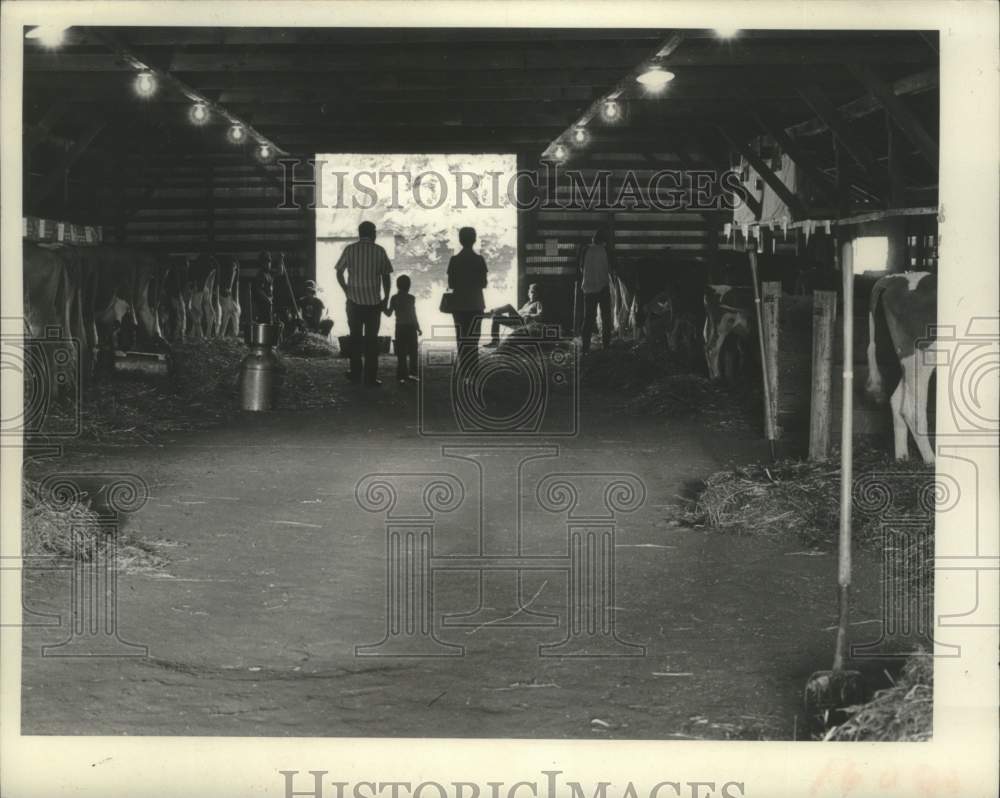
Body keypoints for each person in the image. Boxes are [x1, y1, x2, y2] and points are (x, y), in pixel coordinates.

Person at [336, 221, 393, 386]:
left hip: (353, 303)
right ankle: (370, 378)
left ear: (359, 233)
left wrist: (346, 290)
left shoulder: (350, 249)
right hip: (374, 304)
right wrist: (386, 297)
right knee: (371, 341)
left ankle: (355, 374)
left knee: (355, 339)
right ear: (373, 233)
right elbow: (386, 276)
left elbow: (339, 272)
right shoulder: (380, 251)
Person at [446, 226, 487, 377]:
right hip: (476, 304)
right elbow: (483, 283)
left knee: (461, 338)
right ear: (474, 240)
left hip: (459, 305)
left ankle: (463, 370)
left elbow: (451, 285)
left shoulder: (454, 260)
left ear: (460, 240)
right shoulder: (479, 260)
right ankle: (474, 370)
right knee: (473, 340)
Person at [578, 227, 614, 354]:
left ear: (594, 238)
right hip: (603, 287)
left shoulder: (585, 249)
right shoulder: (605, 250)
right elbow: (610, 269)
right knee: (606, 318)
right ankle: (606, 346)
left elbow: (581, 269)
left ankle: (585, 348)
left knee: (588, 319)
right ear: (603, 241)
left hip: (588, 289)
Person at [385, 274, 422, 384]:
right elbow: (413, 314)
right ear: (409, 286)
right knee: (413, 352)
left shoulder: (394, 298)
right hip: (411, 328)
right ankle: (413, 374)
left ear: (397, 285)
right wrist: (418, 328)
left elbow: (388, 313)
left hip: (400, 327)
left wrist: (381, 306)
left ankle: (401, 376)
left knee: (401, 353)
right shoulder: (411, 298)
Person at [251, 251, 275, 324]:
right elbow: (258, 289)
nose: (268, 264)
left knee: (270, 319)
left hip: (269, 300)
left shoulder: (269, 274)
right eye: (267, 262)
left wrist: (281, 260)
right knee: (265, 320)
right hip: (262, 302)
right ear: (262, 263)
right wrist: (267, 299)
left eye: (269, 262)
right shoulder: (261, 274)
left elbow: (280, 272)